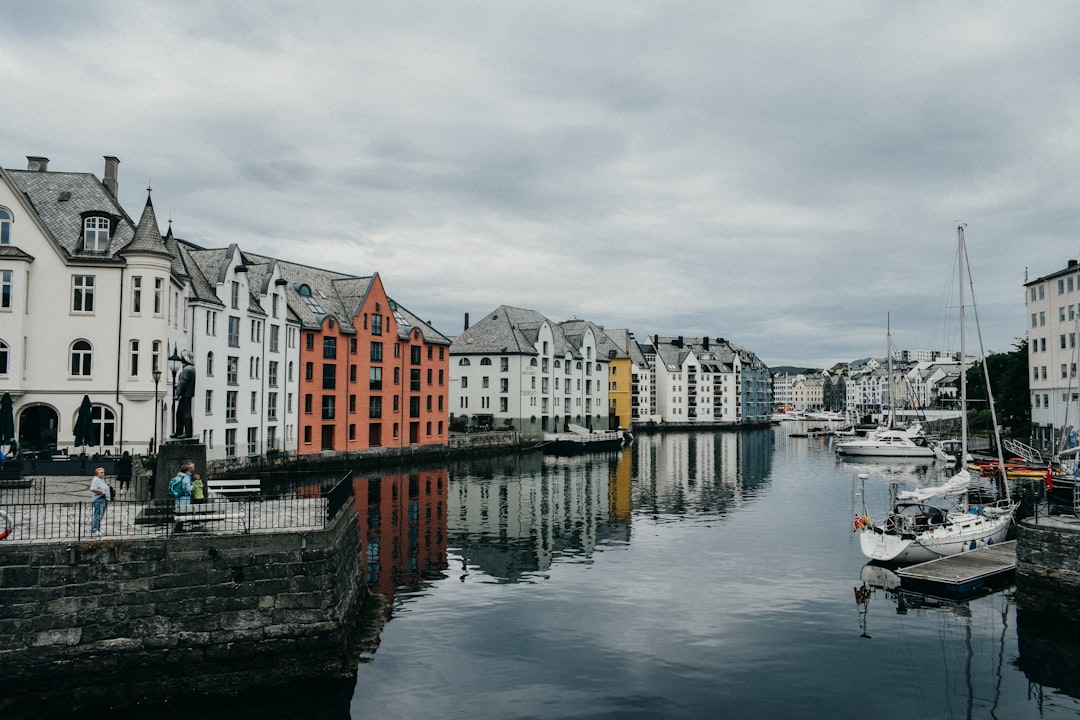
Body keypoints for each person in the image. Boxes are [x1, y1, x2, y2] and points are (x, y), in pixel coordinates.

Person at [173, 350, 196, 438]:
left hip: (185, 395)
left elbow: (183, 382)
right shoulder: (190, 368)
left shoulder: (187, 369)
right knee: (179, 413)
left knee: (185, 413)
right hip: (186, 394)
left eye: (182, 357)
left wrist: (178, 394)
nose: (181, 358)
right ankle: (179, 431)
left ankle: (187, 432)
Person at [89, 466, 110, 536]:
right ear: (97, 473)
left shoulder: (101, 479)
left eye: (103, 472)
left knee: (100, 515)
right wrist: (101, 491)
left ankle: (98, 528)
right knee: (98, 515)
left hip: (104, 499)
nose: (103, 473)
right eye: (101, 472)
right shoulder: (96, 479)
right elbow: (92, 488)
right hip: (99, 499)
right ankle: (95, 529)